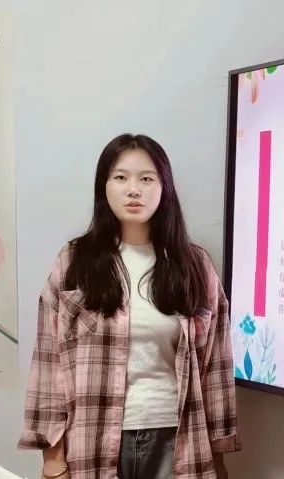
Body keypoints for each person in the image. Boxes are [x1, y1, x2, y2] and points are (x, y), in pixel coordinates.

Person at [18, 134, 239, 478]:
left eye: (146, 179)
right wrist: (52, 459)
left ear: (164, 188)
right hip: (93, 437)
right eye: (121, 177)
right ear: (104, 186)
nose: (133, 190)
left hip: (177, 439)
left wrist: (219, 454)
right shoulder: (74, 262)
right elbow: (49, 362)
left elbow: (216, 365)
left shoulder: (193, 265)